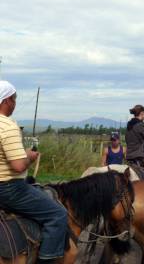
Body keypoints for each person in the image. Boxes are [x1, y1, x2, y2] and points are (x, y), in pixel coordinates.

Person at [0, 81, 68, 264]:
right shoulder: (7, 126)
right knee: (58, 215)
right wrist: (29, 156)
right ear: (7, 101)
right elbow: (18, 167)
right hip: (9, 189)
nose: (15, 103)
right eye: (14, 99)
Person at [125, 105, 144, 169]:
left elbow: (126, 140)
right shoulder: (142, 125)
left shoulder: (129, 125)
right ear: (142, 113)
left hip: (129, 156)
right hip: (141, 156)